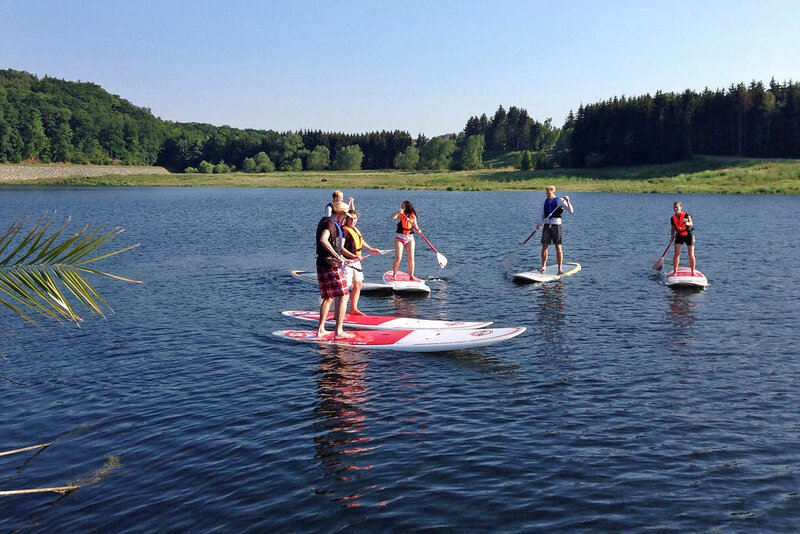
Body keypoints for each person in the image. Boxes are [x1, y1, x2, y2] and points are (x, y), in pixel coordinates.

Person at [315, 201, 357, 339]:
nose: (345, 218)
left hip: (323, 262)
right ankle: (338, 331)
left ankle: (321, 330)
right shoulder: (330, 224)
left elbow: (329, 244)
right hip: (330, 264)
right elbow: (323, 240)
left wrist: (343, 258)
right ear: (339, 214)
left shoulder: (325, 221)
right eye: (344, 216)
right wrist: (337, 256)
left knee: (328, 297)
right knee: (344, 294)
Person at [342, 209, 385, 315]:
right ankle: (341, 310)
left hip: (356, 261)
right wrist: (353, 256)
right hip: (347, 262)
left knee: (358, 283)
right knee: (345, 287)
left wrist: (371, 249)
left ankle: (353, 308)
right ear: (346, 219)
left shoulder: (355, 229)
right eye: (350, 219)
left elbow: (360, 241)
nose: (352, 221)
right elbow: (341, 248)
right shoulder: (344, 231)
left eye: (354, 219)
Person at [536, 185, 574, 275]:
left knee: (558, 247)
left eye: (549, 193)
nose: (547, 195)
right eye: (546, 193)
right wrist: (540, 224)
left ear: (554, 192)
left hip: (556, 226)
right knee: (544, 246)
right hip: (546, 226)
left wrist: (568, 201)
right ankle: (543, 266)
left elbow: (570, 211)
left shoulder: (559, 201)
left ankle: (560, 268)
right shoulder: (544, 202)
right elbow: (542, 215)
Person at [391, 200, 421, 281]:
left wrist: (418, 230)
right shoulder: (400, 214)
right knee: (398, 258)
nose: (401, 207)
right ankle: (394, 275)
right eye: (401, 206)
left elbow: (415, 225)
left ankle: (411, 275)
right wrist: (398, 212)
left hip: (410, 238)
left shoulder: (412, 215)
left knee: (411, 258)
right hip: (399, 238)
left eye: (403, 206)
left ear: (407, 207)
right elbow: (392, 217)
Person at [670, 201, 696, 275]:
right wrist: (672, 237)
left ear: (680, 207)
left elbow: (691, 223)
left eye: (677, 207)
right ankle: (675, 272)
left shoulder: (686, 215)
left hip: (688, 235)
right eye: (674, 207)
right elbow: (672, 229)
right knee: (676, 253)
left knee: (690, 254)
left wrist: (686, 222)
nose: (675, 209)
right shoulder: (672, 218)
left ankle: (693, 271)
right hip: (679, 235)